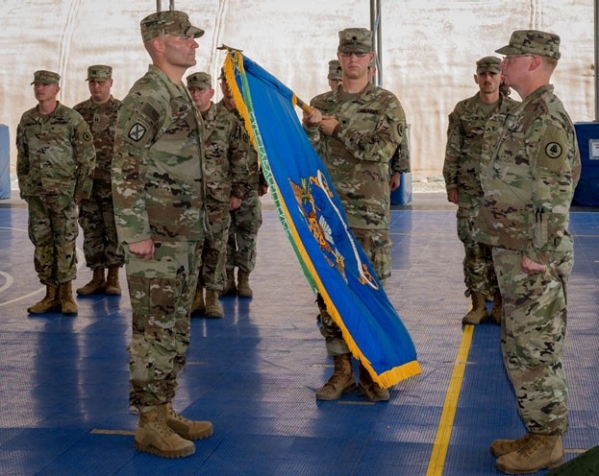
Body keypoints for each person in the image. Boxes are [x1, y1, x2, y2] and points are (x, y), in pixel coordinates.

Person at [474, 30, 581, 474]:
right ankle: (538, 431)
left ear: (534, 62)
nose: (505, 65)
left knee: (535, 349)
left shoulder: (547, 119)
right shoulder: (523, 114)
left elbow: (554, 192)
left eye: (512, 58)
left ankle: (548, 440)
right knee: (520, 346)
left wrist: (540, 250)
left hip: (532, 256)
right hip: (513, 250)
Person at [111, 10, 213, 459]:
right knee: (154, 330)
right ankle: (149, 423)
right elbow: (125, 166)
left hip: (182, 235)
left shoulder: (177, 92)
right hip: (156, 237)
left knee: (173, 327)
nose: (192, 44)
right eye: (184, 38)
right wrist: (135, 233)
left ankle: (165, 406)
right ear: (158, 44)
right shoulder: (148, 96)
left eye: (193, 38)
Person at [302, 28, 407, 402]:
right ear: (339, 57)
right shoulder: (319, 103)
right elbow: (307, 156)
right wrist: (314, 128)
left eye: (359, 54)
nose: (352, 59)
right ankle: (341, 370)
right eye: (347, 53)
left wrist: (337, 129)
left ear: (370, 62)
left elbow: (380, 151)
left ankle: (371, 371)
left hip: (369, 214)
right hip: (328, 214)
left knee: (369, 291)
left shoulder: (386, 104)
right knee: (329, 294)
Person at [443, 56, 519, 326]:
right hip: (470, 190)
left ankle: (499, 305)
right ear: (476, 78)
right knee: (473, 248)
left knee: (500, 250)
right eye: (483, 74)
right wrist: (450, 184)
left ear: (502, 78)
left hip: (505, 194)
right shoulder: (463, 110)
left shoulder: (516, 111)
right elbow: (453, 149)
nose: (488, 79)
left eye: (493, 74)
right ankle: (477, 305)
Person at [16, 70, 95, 316]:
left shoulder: (71, 119)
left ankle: (66, 295)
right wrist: (25, 187)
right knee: (41, 242)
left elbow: (86, 156)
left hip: (63, 194)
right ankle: (49, 295)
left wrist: (81, 189)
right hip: (37, 195)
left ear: (56, 89)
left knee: (65, 241)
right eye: (37, 84)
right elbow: (23, 157)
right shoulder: (27, 119)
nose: (40, 88)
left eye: (46, 85)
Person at [186, 71, 249, 318]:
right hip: (187, 199)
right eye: (192, 90)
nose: (196, 95)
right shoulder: (180, 121)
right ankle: (195, 297)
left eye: (201, 90)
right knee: (192, 248)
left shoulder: (226, 121)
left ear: (211, 93)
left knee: (216, 247)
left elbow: (239, 158)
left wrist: (238, 192)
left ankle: (212, 297)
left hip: (217, 197)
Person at [74, 65, 125, 296]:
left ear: (111, 83)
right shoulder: (78, 113)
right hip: (88, 184)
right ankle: (97, 277)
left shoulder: (124, 111)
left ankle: (113, 278)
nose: (97, 86)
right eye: (93, 82)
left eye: (101, 82)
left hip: (115, 184)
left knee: (115, 230)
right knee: (91, 230)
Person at [219, 70, 268, 298]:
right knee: (224, 235)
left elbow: (264, 148)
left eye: (232, 82)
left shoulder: (252, 115)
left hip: (248, 187)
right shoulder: (213, 114)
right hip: (220, 189)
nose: (228, 87)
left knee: (247, 234)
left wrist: (264, 178)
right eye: (224, 82)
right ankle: (227, 278)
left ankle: (244, 279)